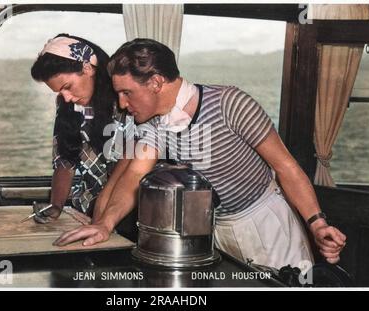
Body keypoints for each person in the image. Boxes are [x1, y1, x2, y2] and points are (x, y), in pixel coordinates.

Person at [53, 38, 346, 269]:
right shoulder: (156, 122)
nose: (122, 103)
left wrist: (317, 223)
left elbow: (287, 168)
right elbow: (134, 174)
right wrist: (105, 224)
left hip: (266, 223)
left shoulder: (230, 103)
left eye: (127, 92)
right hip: (217, 229)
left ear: (156, 82)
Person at [30, 34, 118, 222]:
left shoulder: (125, 102)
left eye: (68, 86)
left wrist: (101, 220)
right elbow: (65, 161)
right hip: (85, 213)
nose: (67, 97)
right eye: (60, 92)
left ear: (87, 68)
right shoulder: (68, 105)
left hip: (119, 214)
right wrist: (55, 206)